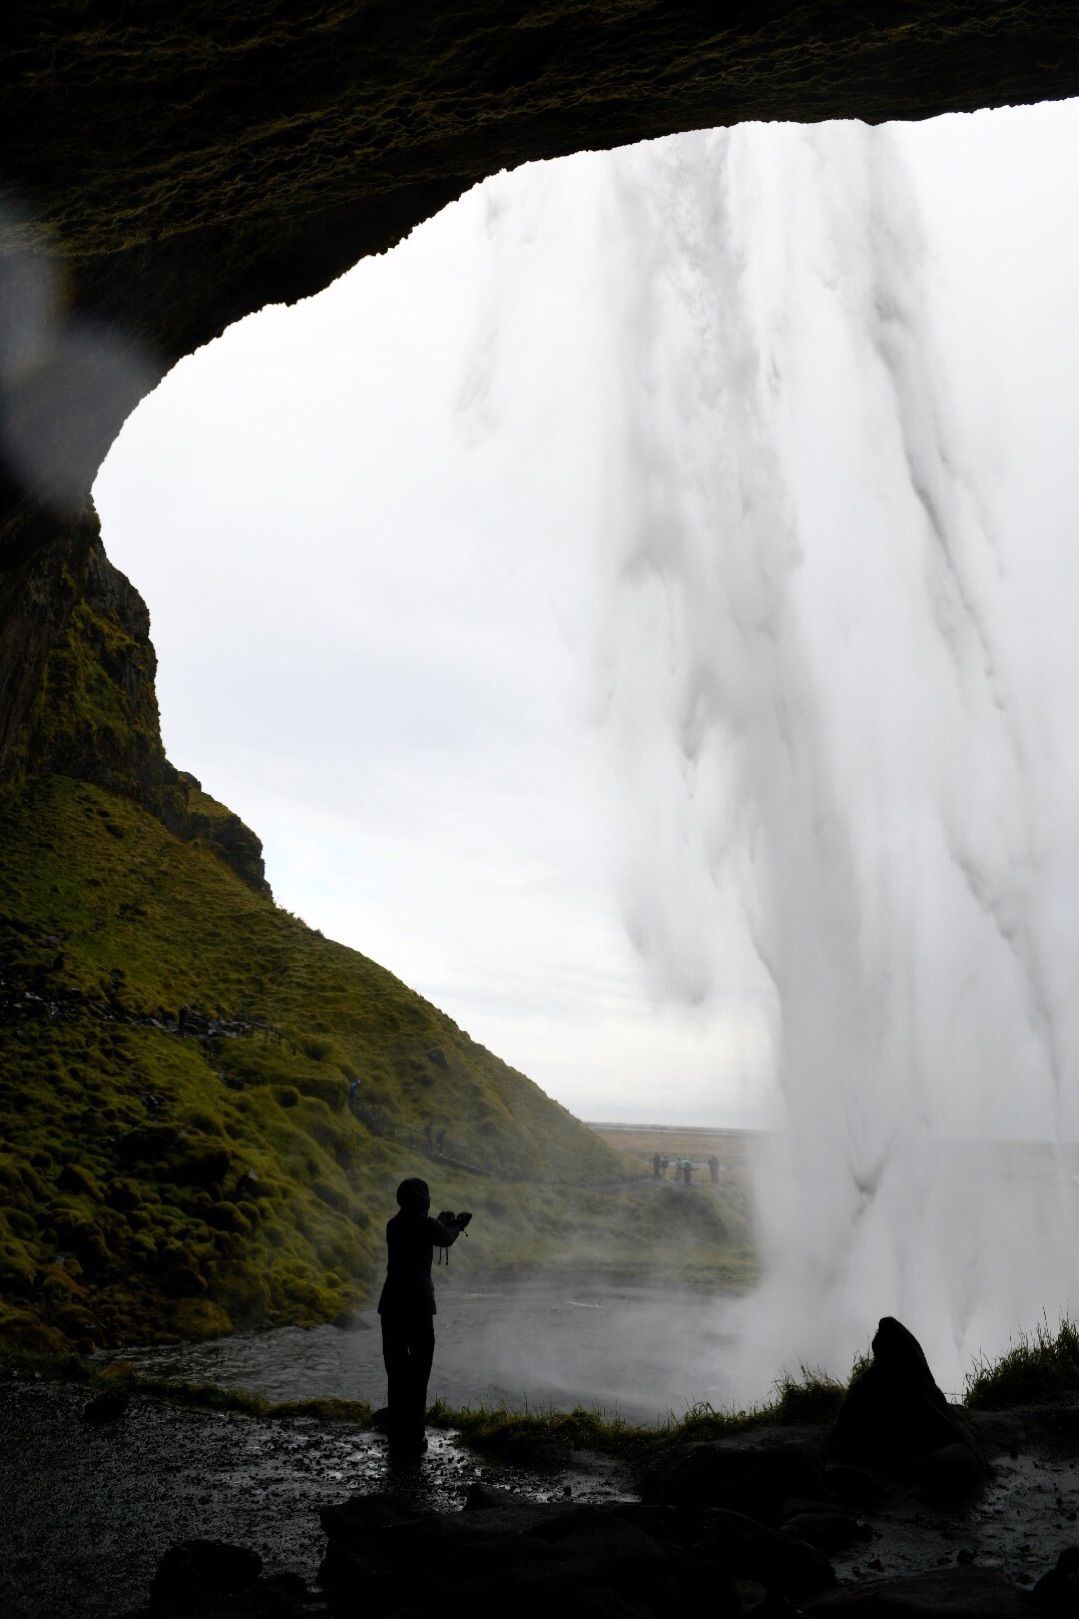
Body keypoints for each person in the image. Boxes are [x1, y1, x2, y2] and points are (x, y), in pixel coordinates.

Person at [377, 1178, 472, 1456]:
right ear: (424, 1199)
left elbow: (430, 1229)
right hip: (418, 1306)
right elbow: (445, 1237)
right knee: (419, 1373)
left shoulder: (393, 1225)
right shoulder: (426, 1225)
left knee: (396, 1372)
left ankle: (397, 1434)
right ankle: (415, 1437)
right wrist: (458, 1224)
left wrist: (442, 1222)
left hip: (391, 1305)